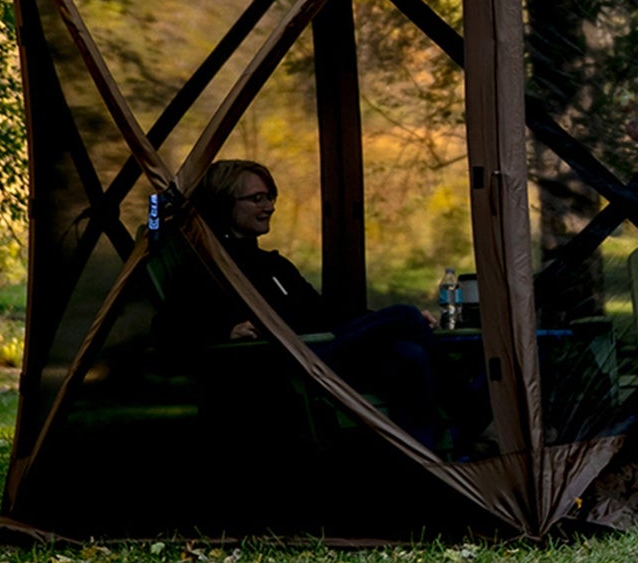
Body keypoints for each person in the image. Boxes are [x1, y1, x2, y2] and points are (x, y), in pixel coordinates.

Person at [179, 159, 444, 450]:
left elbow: (324, 312)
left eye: (270, 197)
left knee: (409, 352)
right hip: (281, 362)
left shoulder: (274, 264)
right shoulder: (208, 266)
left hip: (318, 348)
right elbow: (170, 330)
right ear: (224, 203)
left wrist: (381, 322)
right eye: (257, 199)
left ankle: (424, 459)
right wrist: (227, 332)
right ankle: (470, 414)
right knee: (404, 315)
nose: (269, 207)